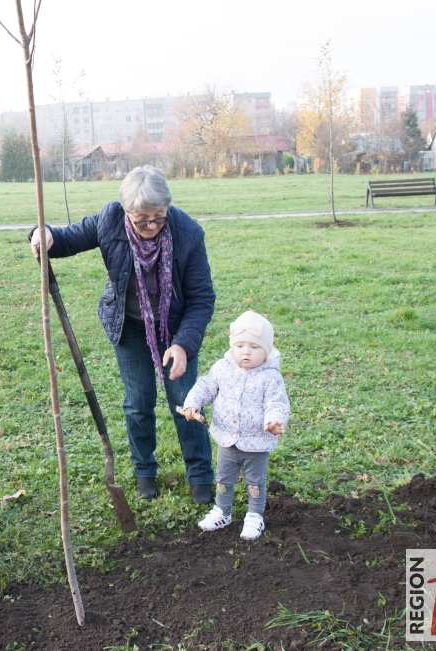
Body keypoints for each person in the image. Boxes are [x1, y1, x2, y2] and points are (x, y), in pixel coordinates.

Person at [30, 165, 216, 504]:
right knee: (138, 402)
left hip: (175, 328)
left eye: (158, 217)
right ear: (125, 211)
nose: (149, 226)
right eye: (140, 218)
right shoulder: (110, 220)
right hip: (129, 327)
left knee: (185, 400)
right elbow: (65, 238)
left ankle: (201, 475)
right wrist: (42, 233)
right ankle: (144, 472)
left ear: (168, 208)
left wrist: (183, 344)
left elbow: (202, 299)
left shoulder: (188, 233)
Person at [179, 310, 290, 540]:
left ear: (266, 351)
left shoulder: (270, 377)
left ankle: (254, 515)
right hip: (226, 438)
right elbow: (205, 386)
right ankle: (222, 511)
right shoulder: (222, 368)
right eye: (240, 346)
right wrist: (193, 403)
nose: (246, 352)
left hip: (256, 442)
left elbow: (276, 402)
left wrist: (274, 421)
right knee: (224, 478)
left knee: (254, 481)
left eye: (254, 347)